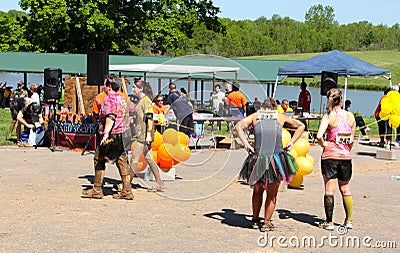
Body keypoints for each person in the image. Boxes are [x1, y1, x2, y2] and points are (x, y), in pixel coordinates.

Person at [235, 98, 305, 232]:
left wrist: (246, 144)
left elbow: (238, 126)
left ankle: (255, 220)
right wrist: (291, 142)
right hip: (276, 158)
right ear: (274, 108)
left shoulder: (255, 117)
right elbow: (301, 126)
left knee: (257, 191)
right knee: (272, 194)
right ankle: (266, 222)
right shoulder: (280, 117)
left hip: (258, 158)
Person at [82, 78, 135, 200]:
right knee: (122, 160)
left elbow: (110, 117)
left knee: (99, 159)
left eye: (105, 85)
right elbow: (132, 111)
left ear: (110, 86)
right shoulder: (123, 98)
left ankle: (97, 189)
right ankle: (127, 190)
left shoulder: (109, 99)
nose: (103, 87)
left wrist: (106, 134)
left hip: (111, 135)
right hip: (122, 134)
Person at [316, 88, 356, 231]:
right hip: (345, 156)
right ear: (342, 99)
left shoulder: (328, 116)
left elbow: (319, 135)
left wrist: (324, 145)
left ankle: (329, 222)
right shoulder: (350, 116)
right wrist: (346, 150)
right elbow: (351, 139)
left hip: (330, 156)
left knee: (329, 189)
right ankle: (349, 220)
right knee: (345, 189)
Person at [131, 80, 164, 191]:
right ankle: (159, 182)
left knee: (134, 159)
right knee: (149, 158)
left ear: (141, 89)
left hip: (144, 136)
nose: (132, 89)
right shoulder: (141, 101)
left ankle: (126, 184)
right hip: (141, 134)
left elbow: (150, 119)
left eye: (134, 87)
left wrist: (149, 135)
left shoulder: (146, 101)